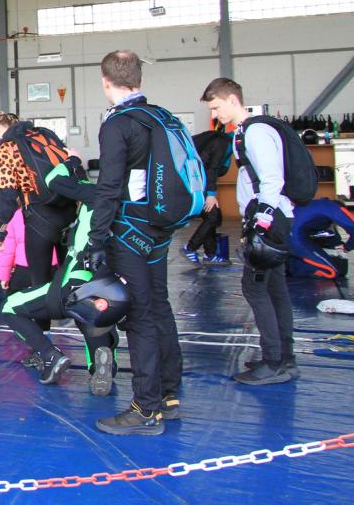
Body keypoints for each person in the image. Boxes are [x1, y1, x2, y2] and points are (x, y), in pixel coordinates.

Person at [88, 50, 184, 436]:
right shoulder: (159, 117)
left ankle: (145, 408)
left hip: (129, 231)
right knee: (159, 306)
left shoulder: (118, 124)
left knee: (140, 316)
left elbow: (109, 186)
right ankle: (168, 395)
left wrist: (96, 239)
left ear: (105, 81)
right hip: (158, 228)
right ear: (138, 79)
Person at [200, 78, 298, 385]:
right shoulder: (245, 133)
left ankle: (274, 361)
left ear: (232, 99)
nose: (215, 115)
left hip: (268, 219)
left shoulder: (255, 133)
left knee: (254, 288)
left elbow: (272, 179)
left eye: (216, 107)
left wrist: (261, 222)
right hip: (270, 217)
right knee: (275, 288)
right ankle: (283, 357)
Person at [1, 157, 120, 393]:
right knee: (92, 320)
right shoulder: (131, 204)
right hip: (108, 287)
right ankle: (100, 364)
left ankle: (49, 355)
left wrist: (72, 161)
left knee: (11, 307)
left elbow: (53, 179)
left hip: (75, 282)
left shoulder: (95, 194)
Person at [0, 111, 75, 331]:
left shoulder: (6, 149)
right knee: (69, 277)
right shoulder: (44, 134)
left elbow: (5, 199)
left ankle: (43, 339)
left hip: (40, 217)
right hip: (68, 213)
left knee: (39, 284)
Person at [183, 124, 233, 264]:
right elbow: (212, 168)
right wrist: (211, 194)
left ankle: (210, 254)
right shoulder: (223, 143)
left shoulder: (220, 140)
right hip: (201, 183)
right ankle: (190, 248)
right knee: (213, 217)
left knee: (212, 217)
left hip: (198, 182)